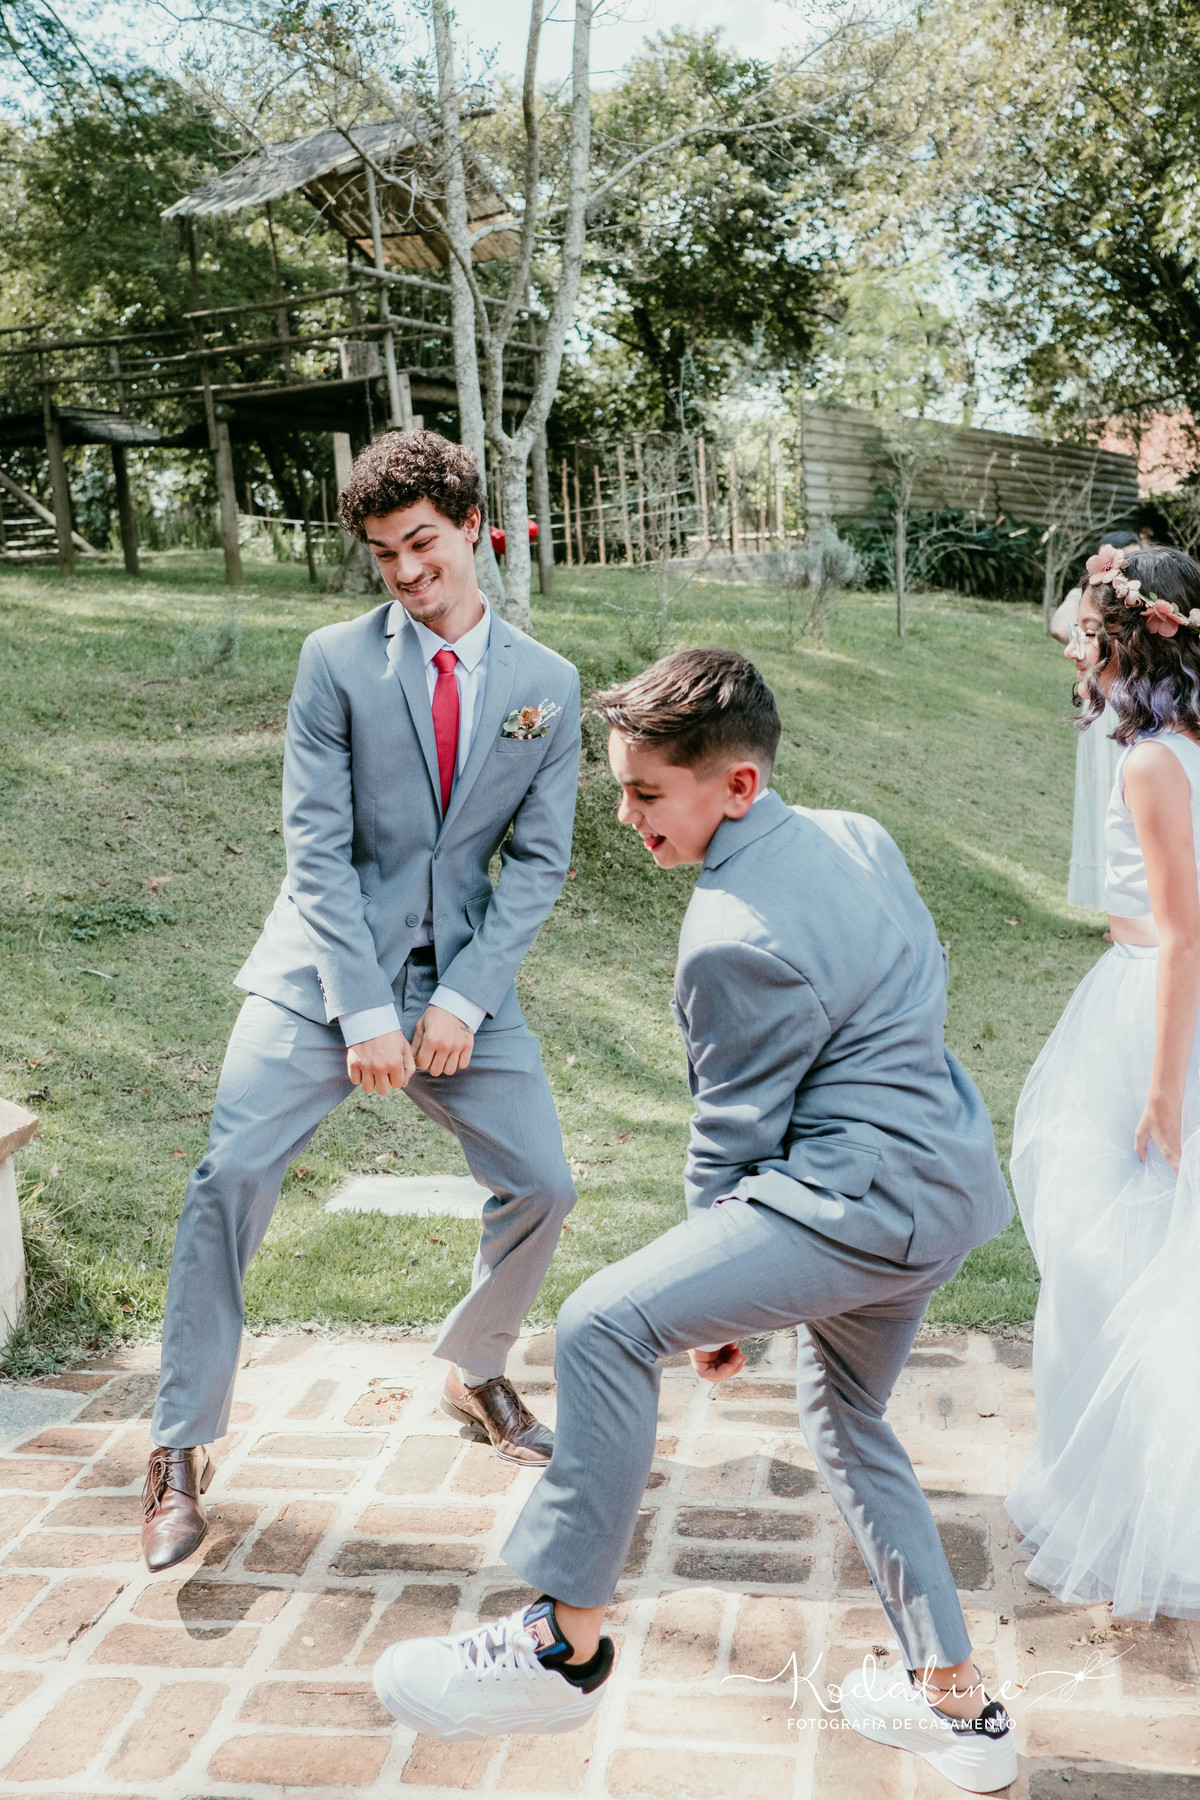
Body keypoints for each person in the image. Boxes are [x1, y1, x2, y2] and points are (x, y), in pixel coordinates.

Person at [371, 648, 1019, 1794]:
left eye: (646, 793)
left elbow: (731, 1133)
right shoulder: (860, 836)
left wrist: (710, 1312)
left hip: (857, 1203)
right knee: (846, 1417)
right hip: (948, 1185)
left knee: (604, 1324)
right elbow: (920, 975)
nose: (627, 817)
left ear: (739, 785)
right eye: (619, 790)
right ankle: (960, 1708)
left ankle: (560, 1644)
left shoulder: (727, 932)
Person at [140, 431, 582, 1572]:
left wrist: (465, 1000)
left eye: (423, 543)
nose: (406, 570)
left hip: (459, 983)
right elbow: (316, 847)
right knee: (228, 1177)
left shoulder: (547, 687)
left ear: (472, 527)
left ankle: (473, 1369)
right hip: (318, 977)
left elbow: (538, 864)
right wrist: (364, 1011)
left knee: (543, 1181)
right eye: (385, 554)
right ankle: (179, 1445)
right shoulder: (334, 663)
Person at [1007, 543, 1200, 1619]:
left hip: (1152, 1015)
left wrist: (1163, 1092)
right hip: (1159, 1000)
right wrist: (1110, 585)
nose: (1072, 648)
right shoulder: (1184, 742)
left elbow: (1183, 936)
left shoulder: (1149, 763)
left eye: (1089, 634)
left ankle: (1128, 1513)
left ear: (1131, 640)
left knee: (1112, 1266)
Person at [1050, 530, 1138, 911]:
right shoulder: (1091, 595)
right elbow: (1059, 626)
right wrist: (1086, 630)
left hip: (1132, 694)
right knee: (1106, 796)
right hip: (1106, 704)